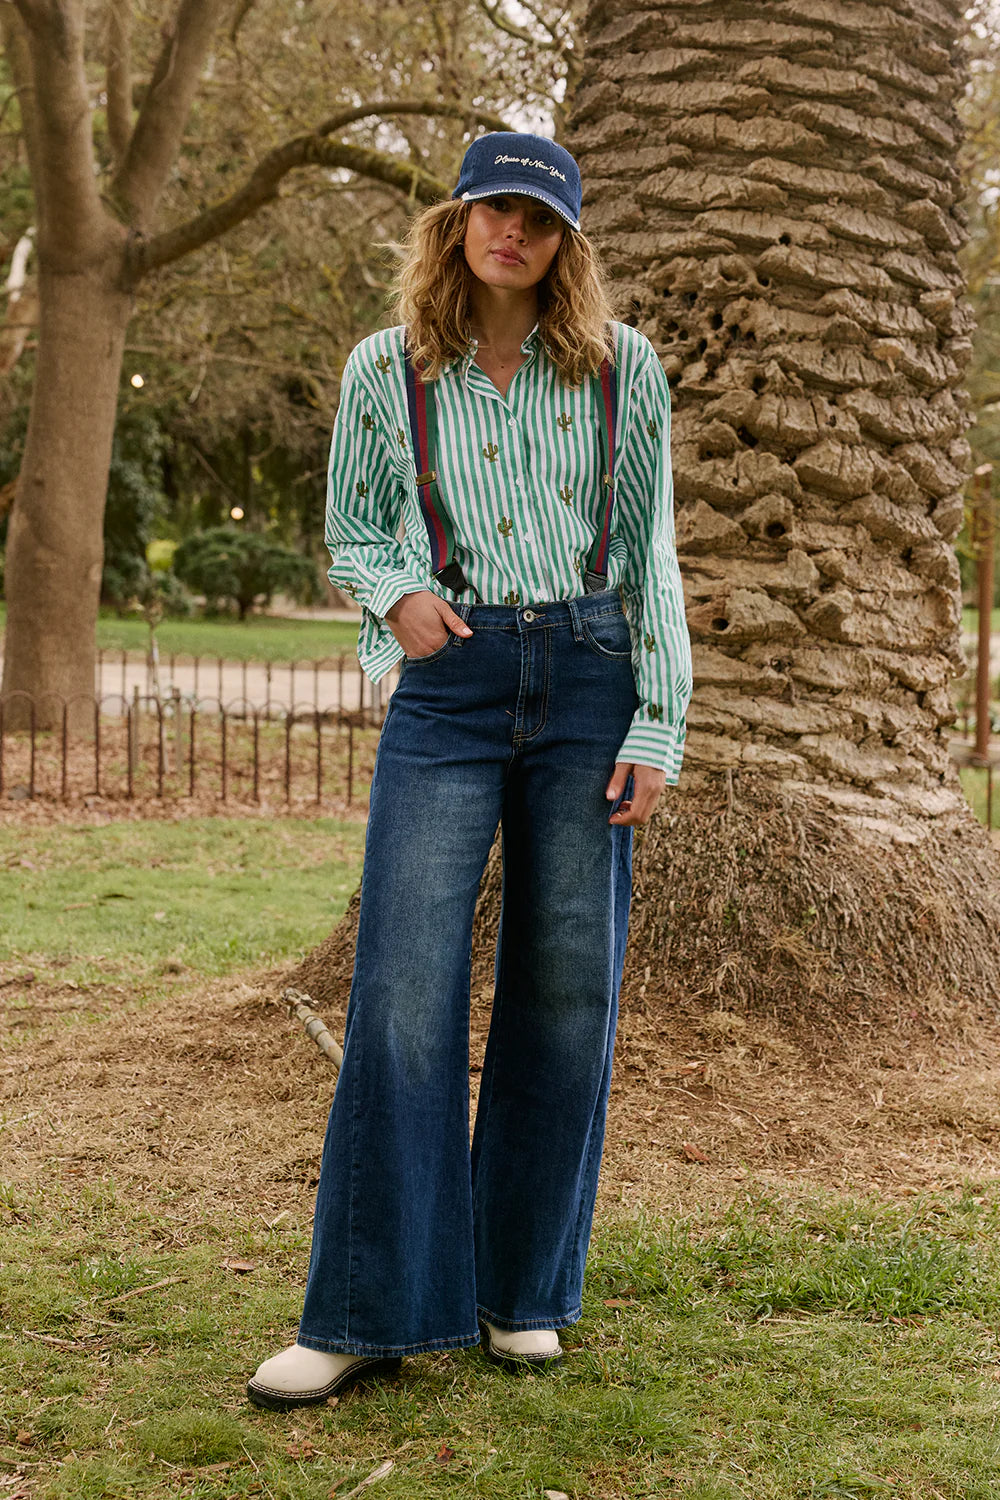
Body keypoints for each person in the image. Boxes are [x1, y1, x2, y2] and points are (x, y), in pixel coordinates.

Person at [247, 131, 692, 1411]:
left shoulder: (620, 368)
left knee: (565, 991)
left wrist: (657, 724)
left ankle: (519, 1295)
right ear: (454, 224)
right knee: (401, 989)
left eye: (539, 220)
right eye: (494, 210)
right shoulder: (386, 368)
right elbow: (353, 525)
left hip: (590, 675)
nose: (513, 233)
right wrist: (396, 597)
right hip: (449, 683)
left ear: (566, 244)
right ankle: (364, 1312)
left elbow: (648, 548)